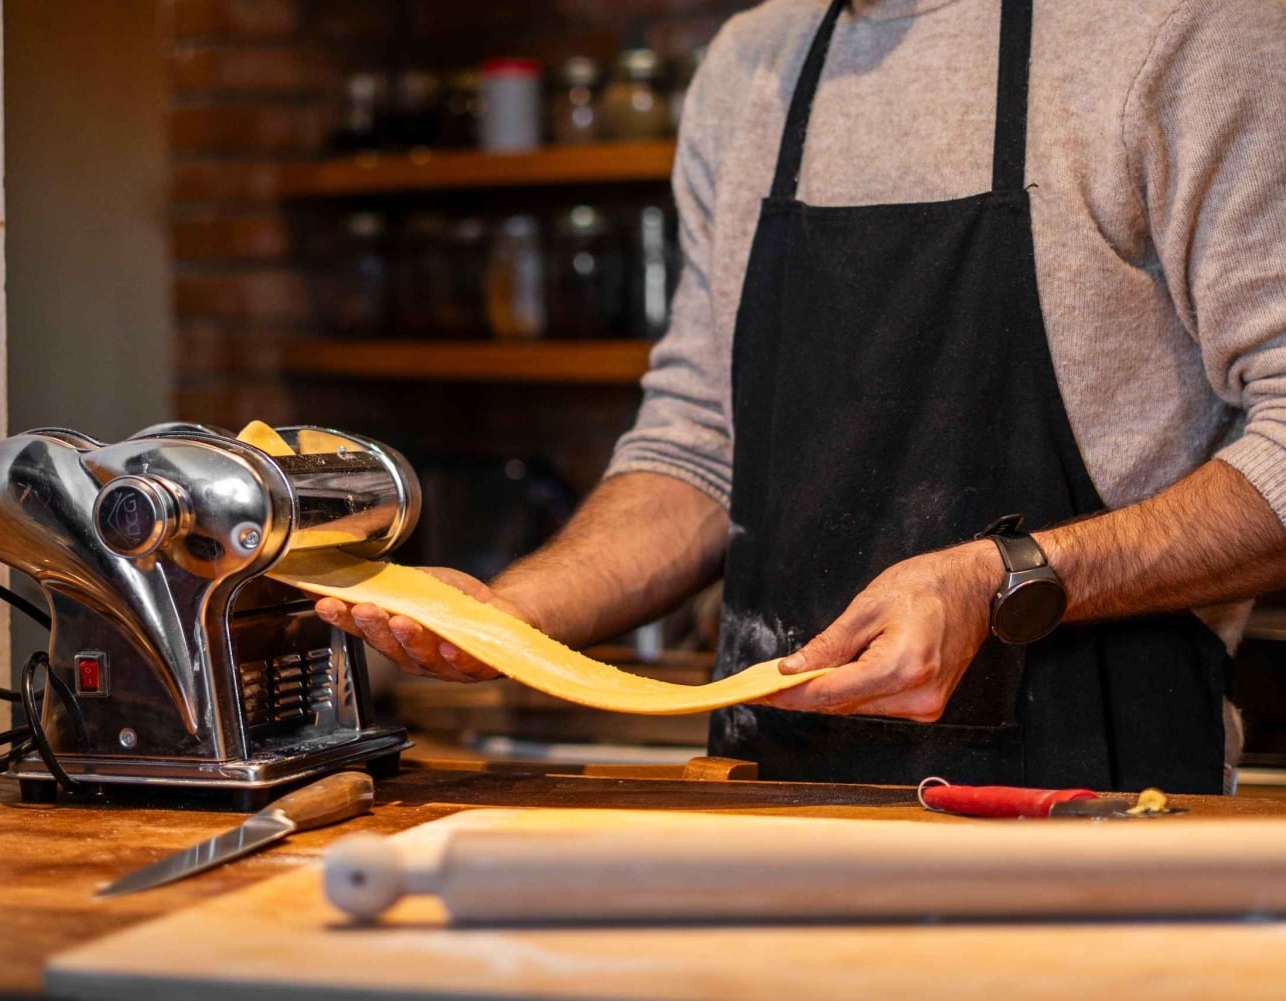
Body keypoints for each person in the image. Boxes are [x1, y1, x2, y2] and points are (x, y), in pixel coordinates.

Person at [320, 0, 1286, 794]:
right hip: (776, 790)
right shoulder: (751, 65)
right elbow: (698, 446)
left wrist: (1001, 578)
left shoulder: (1188, 32)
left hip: (1093, 802)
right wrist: (511, 615)